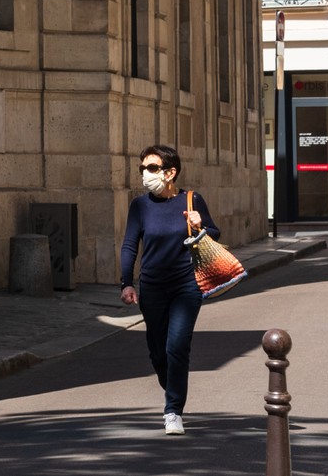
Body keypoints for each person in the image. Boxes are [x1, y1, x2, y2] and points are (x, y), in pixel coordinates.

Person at [118, 143, 219, 438]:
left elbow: (214, 234)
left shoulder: (191, 199)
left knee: (177, 347)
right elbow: (128, 245)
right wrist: (126, 283)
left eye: (151, 168)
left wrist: (201, 225)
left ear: (170, 172)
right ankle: (173, 386)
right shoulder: (140, 205)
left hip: (186, 285)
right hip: (152, 287)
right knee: (158, 352)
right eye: (142, 168)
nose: (145, 174)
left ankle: (173, 410)